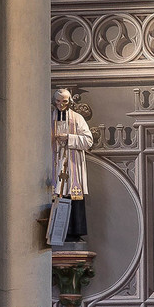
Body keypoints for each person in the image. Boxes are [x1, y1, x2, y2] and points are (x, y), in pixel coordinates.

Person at [52, 87, 93, 241]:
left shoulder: (77, 118)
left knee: (73, 198)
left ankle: (74, 233)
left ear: (69, 102)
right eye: (58, 101)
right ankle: (55, 233)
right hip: (55, 164)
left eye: (64, 101)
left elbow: (88, 141)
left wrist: (69, 138)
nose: (61, 105)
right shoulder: (49, 118)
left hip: (72, 164)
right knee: (55, 195)